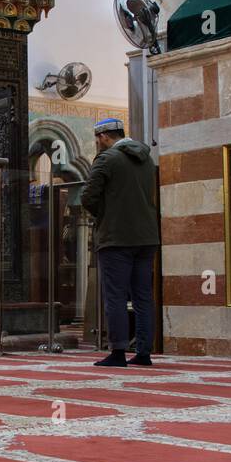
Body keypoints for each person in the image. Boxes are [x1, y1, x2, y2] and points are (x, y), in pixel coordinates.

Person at [80, 117, 160, 367]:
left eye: (97, 139)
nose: (97, 144)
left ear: (104, 137)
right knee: (143, 296)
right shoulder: (147, 159)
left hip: (116, 237)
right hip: (147, 237)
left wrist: (104, 214)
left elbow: (88, 197)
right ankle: (144, 351)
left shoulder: (107, 159)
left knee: (114, 295)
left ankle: (117, 352)